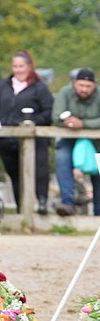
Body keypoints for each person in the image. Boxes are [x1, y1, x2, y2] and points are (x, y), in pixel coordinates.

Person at [0, 51, 54, 215]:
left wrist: (30, 122)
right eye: (15, 66)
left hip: (34, 139)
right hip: (7, 139)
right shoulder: (3, 86)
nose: (18, 70)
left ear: (29, 66)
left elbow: (48, 113)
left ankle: (42, 202)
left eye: (21, 66)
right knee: (15, 176)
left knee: (39, 171)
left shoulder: (39, 88)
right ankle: (21, 210)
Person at [52, 68, 100, 216]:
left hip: (96, 141)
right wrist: (69, 123)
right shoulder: (65, 93)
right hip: (69, 140)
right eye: (81, 85)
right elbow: (56, 117)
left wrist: (83, 124)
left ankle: (98, 211)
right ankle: (67, 203)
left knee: (98, 170)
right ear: (74, 84)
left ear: (94, 86)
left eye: (88, 86)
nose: (84, 89)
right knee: (62, 158)